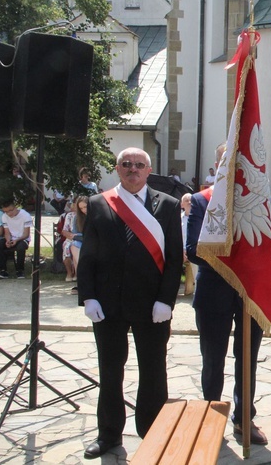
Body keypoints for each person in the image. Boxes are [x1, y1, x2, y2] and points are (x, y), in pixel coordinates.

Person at [77, 147, 183, 459]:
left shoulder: (168, 205)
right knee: (110, 371)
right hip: (108, 304)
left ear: (149, 170)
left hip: (152, 305)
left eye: (139, 165)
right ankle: (108, 435)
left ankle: (153, 432)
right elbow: (88, 255)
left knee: (153, 371)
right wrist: (89, 296)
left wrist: (167, 300)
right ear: (117, 168)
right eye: (126, 164)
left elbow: (175, 259)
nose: (132, 169)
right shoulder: (99, 203)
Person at [186, 144, 268, 445]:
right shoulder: (200, 200)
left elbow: (270, 246)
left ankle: (244, 418)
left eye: (238, 159)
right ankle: (211, 414)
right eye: (226, 160)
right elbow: (192, 249)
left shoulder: (260, 202)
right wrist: (234, 260)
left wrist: (255, 261)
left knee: (247, 359)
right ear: (217, 163)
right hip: (213, 293)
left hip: (249, 293)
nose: (233, 165)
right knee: (213, 359)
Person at [0, 202, 32, 279]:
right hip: (11, 238)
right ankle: (3, 270)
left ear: (16, 207)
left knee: (20, 247)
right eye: (6, 211)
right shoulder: (4, 216)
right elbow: (7, 232)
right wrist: (8, 240)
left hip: (22, 238)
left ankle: (20, 270)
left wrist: (16, 240)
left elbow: (26, 234)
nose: (9, 213)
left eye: (11, 210)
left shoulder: (25, 215)